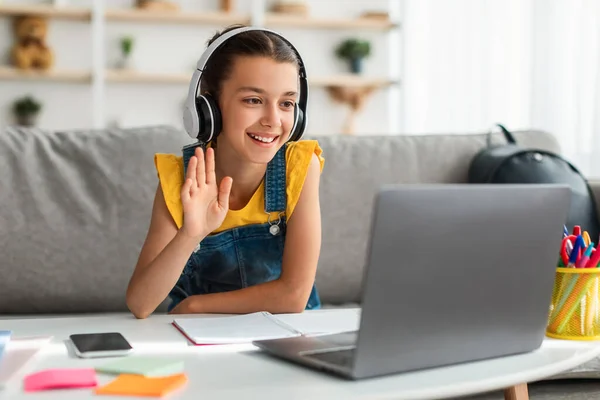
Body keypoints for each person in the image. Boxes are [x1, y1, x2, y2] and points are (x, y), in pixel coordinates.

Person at [126, 25, 325, 319]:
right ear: (208, 108)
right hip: (200, 337)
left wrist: (196, 305)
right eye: (253, 100)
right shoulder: (181, 177)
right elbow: (140, 303)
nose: (273, 120)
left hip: (284, 332)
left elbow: (294, 296)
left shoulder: (300, 166)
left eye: (286, 103)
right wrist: (191, 232)